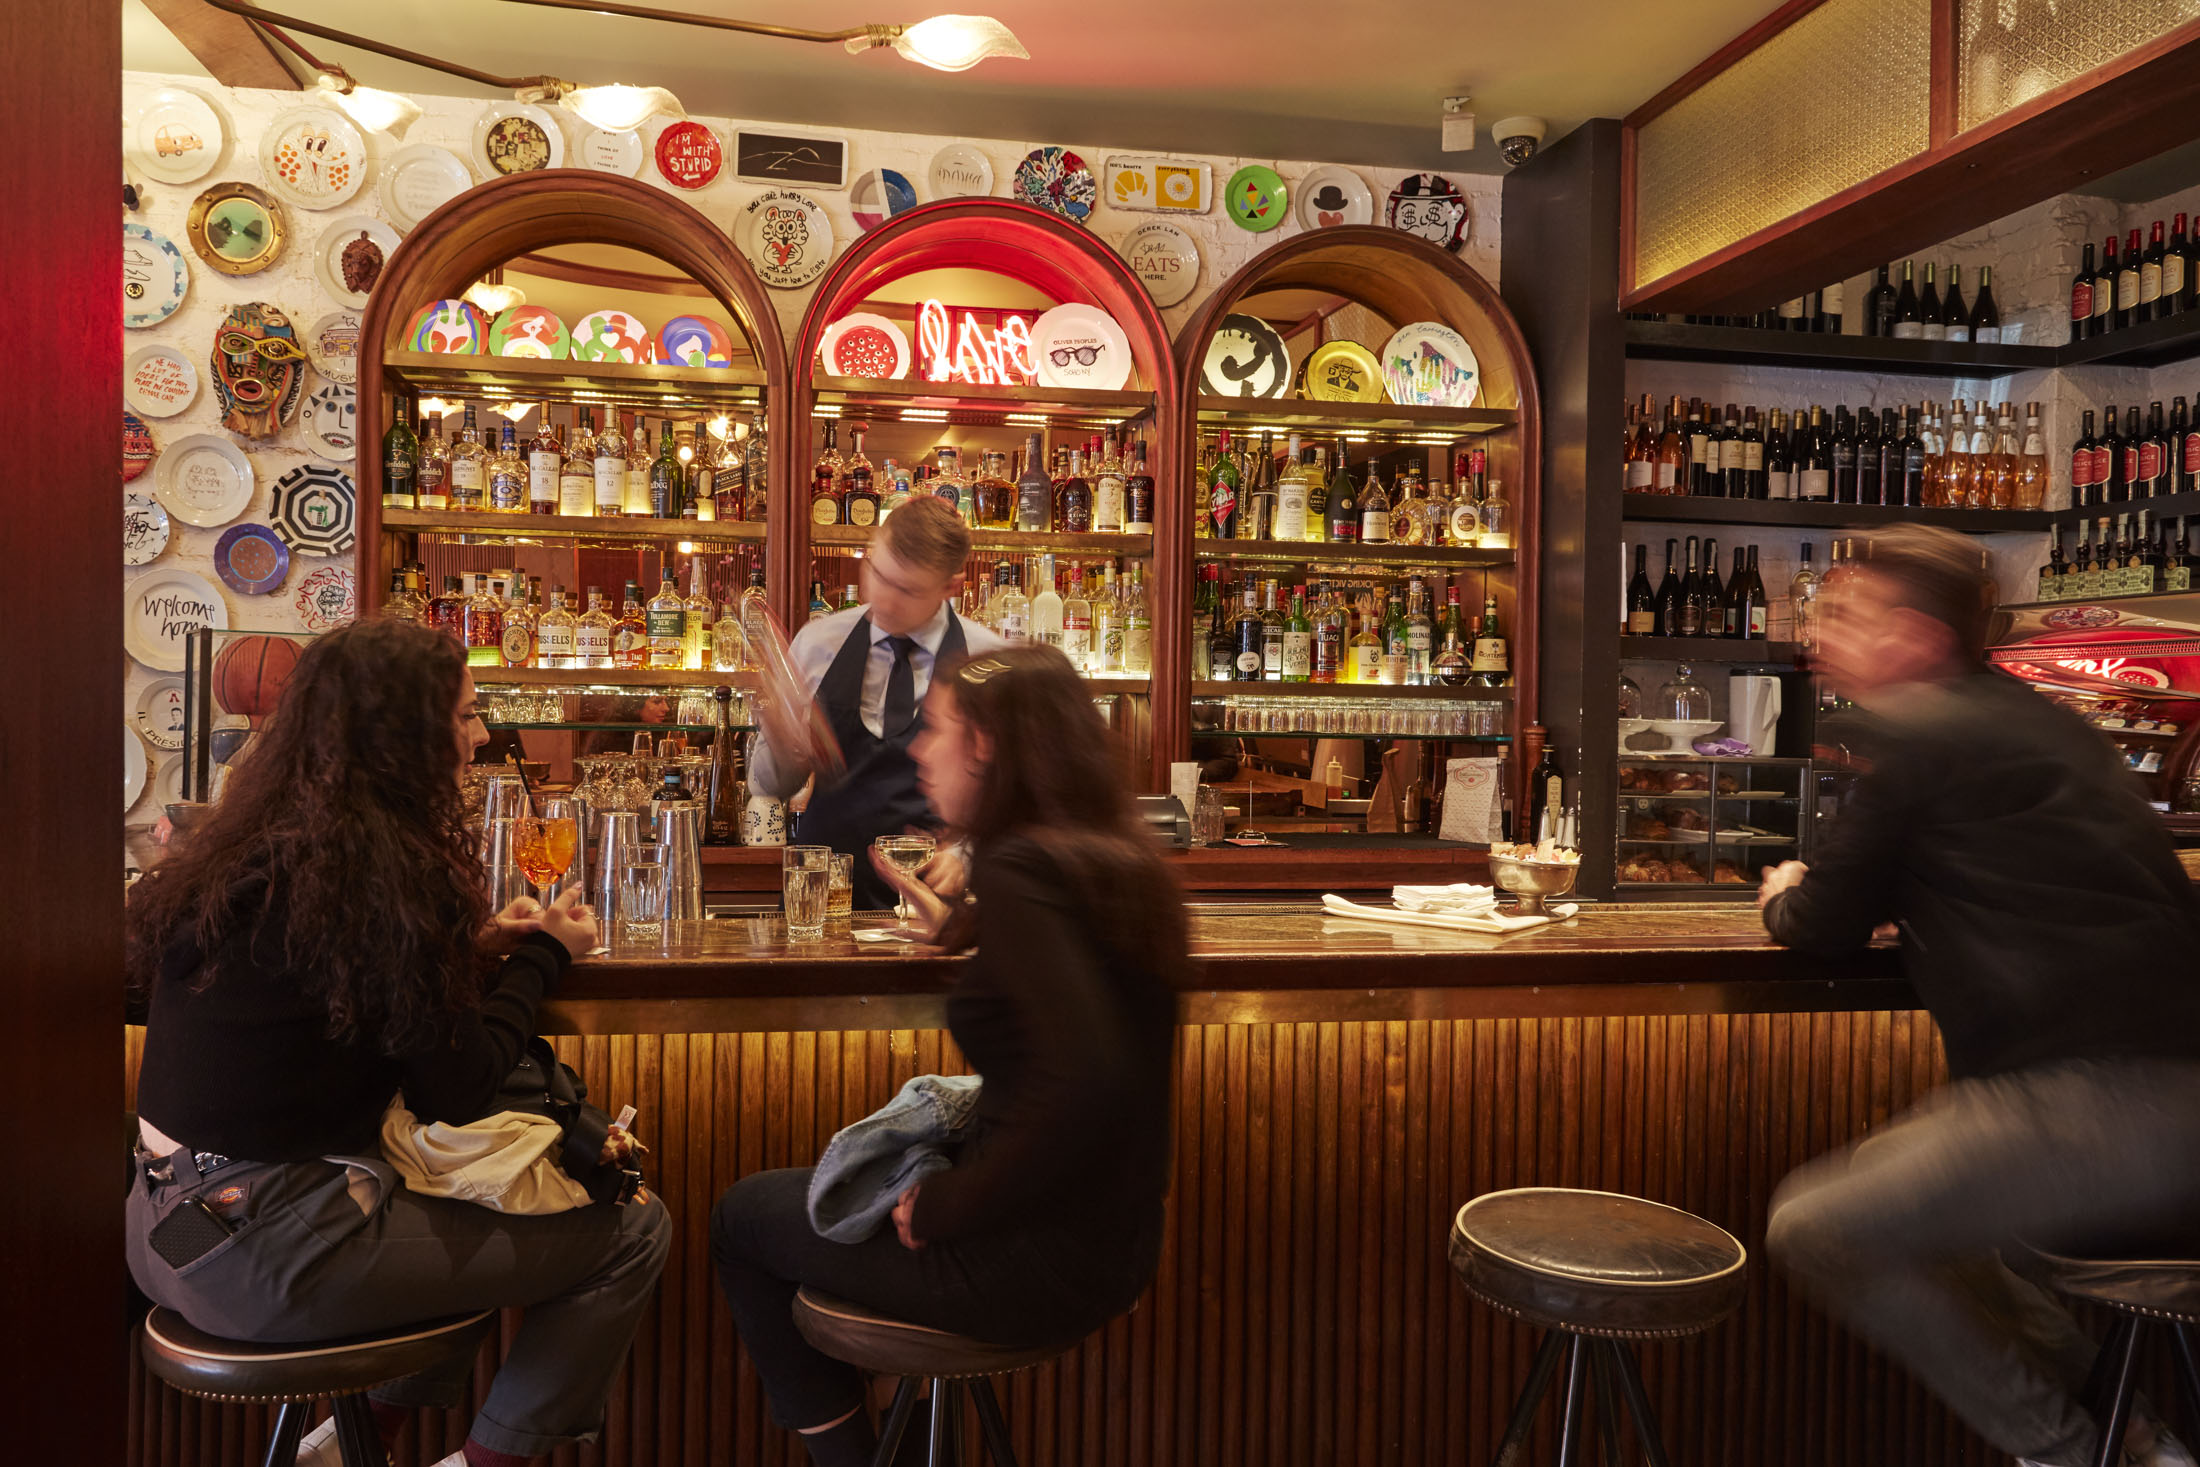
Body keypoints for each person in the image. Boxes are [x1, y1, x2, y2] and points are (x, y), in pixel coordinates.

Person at [125, 619, 671, 1467]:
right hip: (264, 1258)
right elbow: (462, 1088)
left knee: (475, 1202)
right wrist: (544, 956)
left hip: (163, 1232)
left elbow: (338, 997)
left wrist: (476, 948)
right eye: (463, 715)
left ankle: (348, 1449)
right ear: (401, 737)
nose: (482, 733)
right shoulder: (383, 883)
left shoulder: (259, 853)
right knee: (632, 1229)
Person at [1757, 524, 2200, 1467]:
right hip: (2175, 1105)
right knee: (1934, 1229)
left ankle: (2075, 1451)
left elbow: (1817, 921)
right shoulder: (2043, 723)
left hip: (2096, 1108)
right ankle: (2133, 1439)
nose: (1823, 635)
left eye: (1848, 616)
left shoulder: (1913, 736)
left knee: (1822, 1224)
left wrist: (1787, 888)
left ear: (1916, 637)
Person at [712, 645, 1186, 1467]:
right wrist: (969, 925)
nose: (917, 749)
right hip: (1111, 1243)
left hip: (1022, 1255)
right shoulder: (1110, 859)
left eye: (935, 729)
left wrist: (943, 1208)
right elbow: (1082, 1010)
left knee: (741, 1217)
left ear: (989, 745)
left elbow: (1083, 1085)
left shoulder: (1022, 869)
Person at [749, 494, 1003, 908]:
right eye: (877, 574)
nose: (883, 598)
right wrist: (781, 740)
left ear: (950, 587)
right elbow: (768, 785)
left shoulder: (985, 659)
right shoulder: (818, 643)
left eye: (906, 589)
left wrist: (964, 855)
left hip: (927, 904)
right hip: (818, 898)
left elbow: (1012, 794)